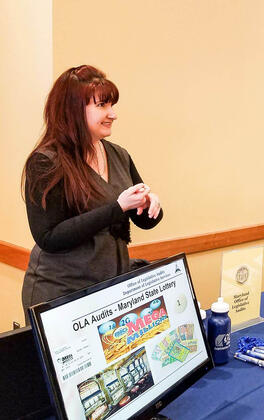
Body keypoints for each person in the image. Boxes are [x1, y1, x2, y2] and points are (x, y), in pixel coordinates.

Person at [21, 65, 163, 319]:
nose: (113, 114)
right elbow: (49, 237)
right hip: (60, 295)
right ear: (73, 111)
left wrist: (151, 204)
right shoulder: (46, 162)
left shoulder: (118, 155)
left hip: (108, 289)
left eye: (112, 106)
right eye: (102, 106)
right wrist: (116, 208)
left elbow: (142, 220)